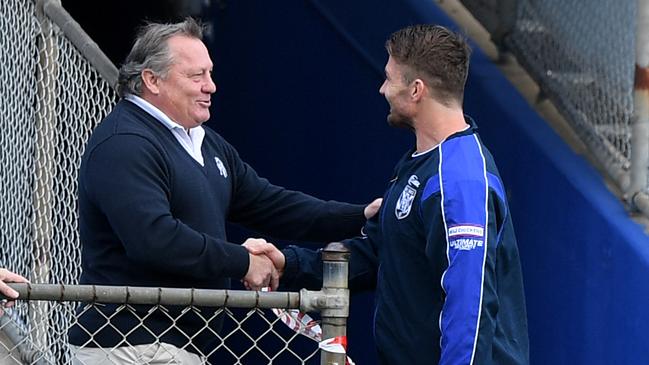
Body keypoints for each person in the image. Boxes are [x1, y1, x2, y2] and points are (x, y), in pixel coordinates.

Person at [68, 18, 380, 364]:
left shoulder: (206, 143)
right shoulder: (125, 143)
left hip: (182, 348)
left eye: (210, 73)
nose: (211, 86)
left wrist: (360, 217)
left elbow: (271, 204)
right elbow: (153, 239)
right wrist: (243, 261)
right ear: (151, 80)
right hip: (132, 346)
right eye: (196, 76)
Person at [247, 24, 529, 364]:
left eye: (389, 78)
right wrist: (289, 263)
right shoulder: (419, 164)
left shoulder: (461, 177)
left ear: (416, 90)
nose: (382, 89)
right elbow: (376, 255)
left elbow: (470, 304)